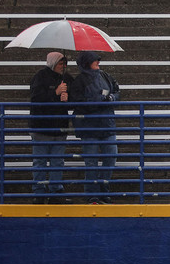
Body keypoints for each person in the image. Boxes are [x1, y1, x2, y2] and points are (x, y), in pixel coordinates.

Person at [68, 51, 120, 204]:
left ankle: (103, 191)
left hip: (106, 125)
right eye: (94, 60)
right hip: (89, 127)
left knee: (110, 158)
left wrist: (110, 98)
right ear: (86, 63)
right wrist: (100, 100)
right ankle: (92, 195)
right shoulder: (79, 81)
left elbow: (117, 91)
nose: (98, 62)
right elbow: (77, 103)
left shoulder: (105, 76)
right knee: (91, 162)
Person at [29, 51, 74, 204]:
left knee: (57, 161)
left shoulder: (66, 78)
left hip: (60, 126)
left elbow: (76, 97)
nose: (63, 66)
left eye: (65, 63)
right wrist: (55, 93)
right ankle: (39, 193)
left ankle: (55, 193)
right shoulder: (40, 76)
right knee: (40, 161)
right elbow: (35, 99)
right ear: (53, 63)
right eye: (61, 63)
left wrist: (68, 98)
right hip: (41, 127)